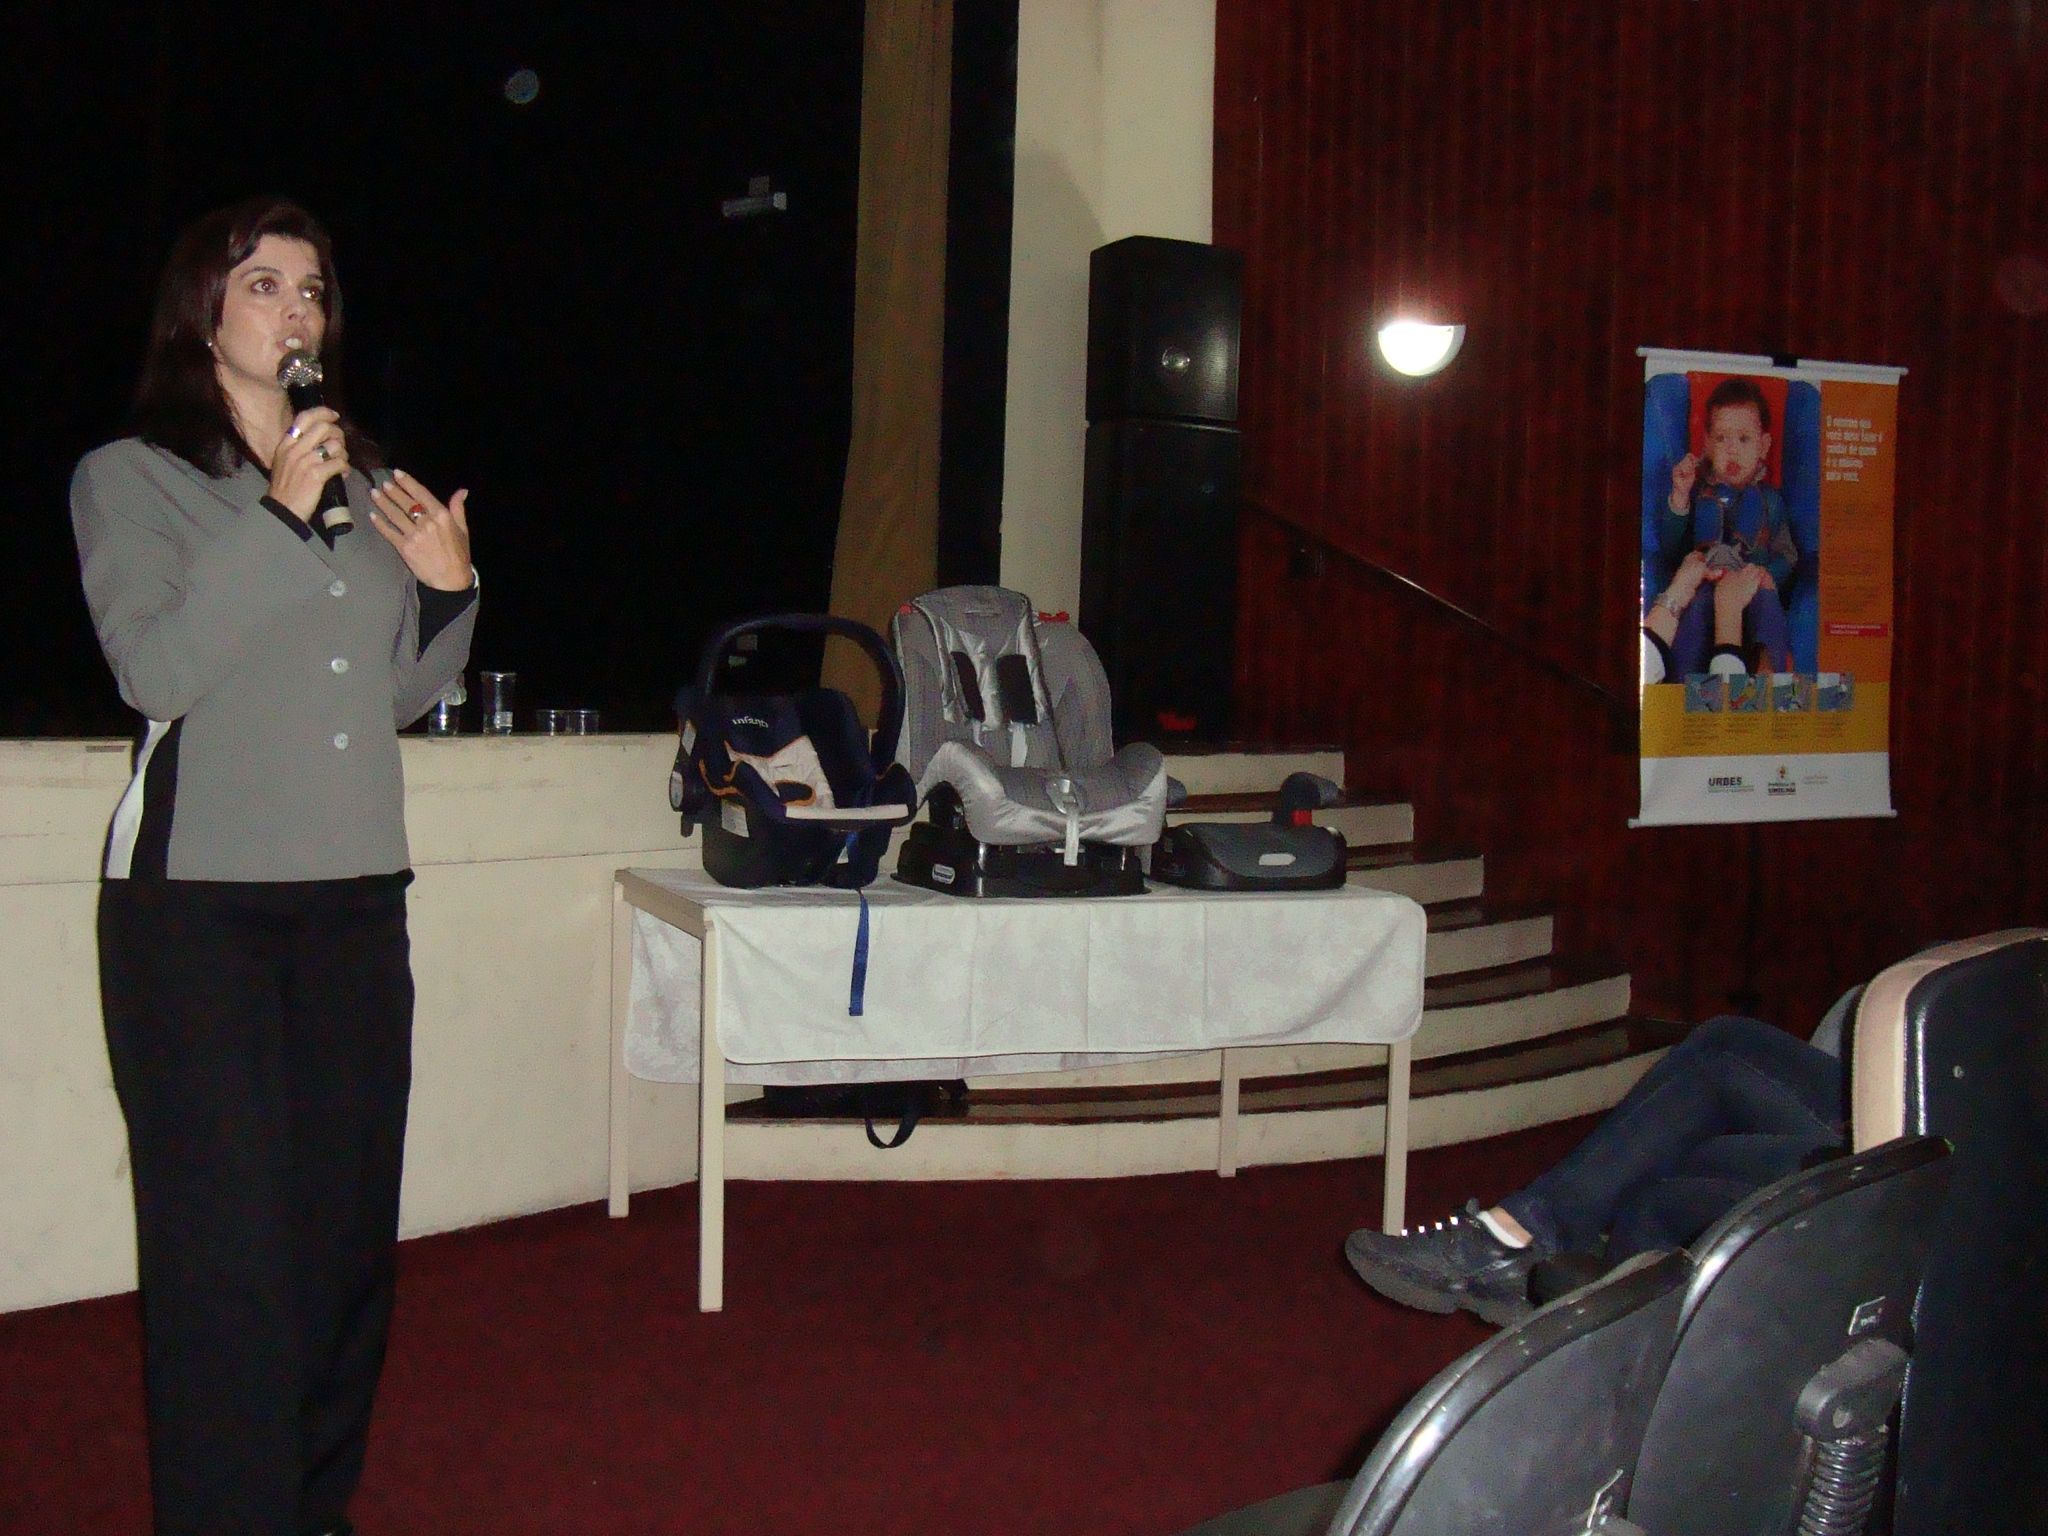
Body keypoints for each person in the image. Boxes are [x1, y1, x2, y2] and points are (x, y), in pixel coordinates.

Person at [70, 197, 478, 1536]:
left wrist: (448, 591)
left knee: (343, 1245)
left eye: (311, 288)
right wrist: (282, 518)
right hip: (200, 913)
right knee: (225, 1258)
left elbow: (389, 695)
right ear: (204, 312)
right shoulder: (133, 478)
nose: (296, 309)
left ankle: (310, 1508)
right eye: (262, 283)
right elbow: (156, 669)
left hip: (355, 901)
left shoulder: (361, 482)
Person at [1344, 991, 1856, 1327]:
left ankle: (1516, 1238)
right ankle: (1558, 1265)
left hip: (1885, 1148)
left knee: (1718, 1069)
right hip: (1867, 1117)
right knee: (1681, 1134)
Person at [1652, 377, 1797, 676]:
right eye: (1721, 439)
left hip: (1751, 586)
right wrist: (1679, 497)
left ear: (1763, 446)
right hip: (1706, 583)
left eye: (1744, 439)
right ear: (1706, 443)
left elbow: (1788, 554)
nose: (1732, 450)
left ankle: (1767, 676)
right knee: (1694, 614)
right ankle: (1683, 682)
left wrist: (1770, 575)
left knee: (1769, 608)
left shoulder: (1771, 501)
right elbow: (1671, 548)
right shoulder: (1698, 493)